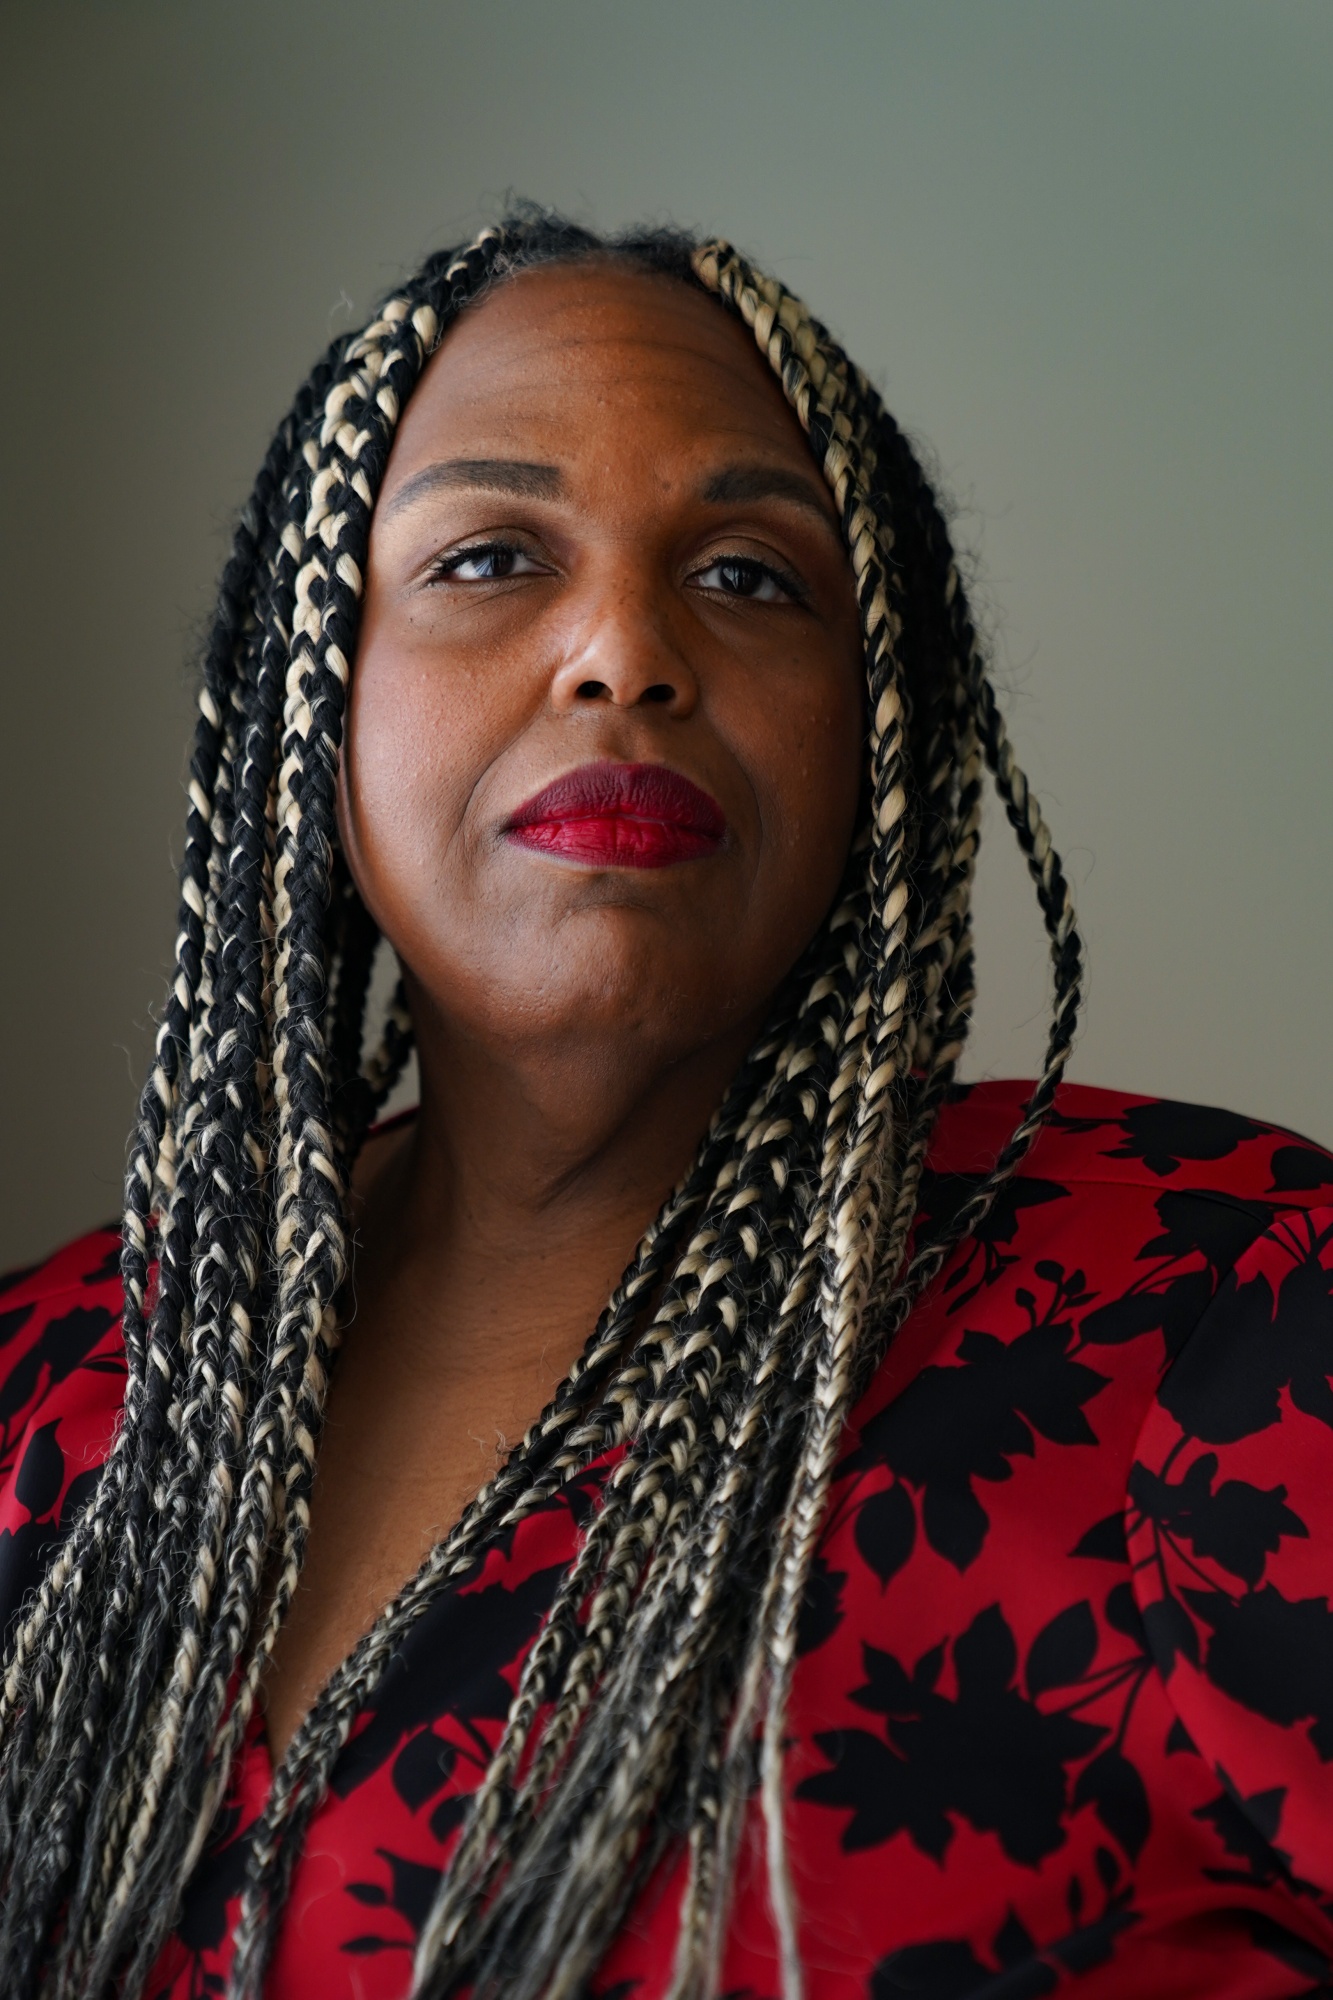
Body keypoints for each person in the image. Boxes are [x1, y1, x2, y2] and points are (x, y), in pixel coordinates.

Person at [0, 211, 1329, 2000]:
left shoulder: (1229, 1323)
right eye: (487, 558)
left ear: (878, 733)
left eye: (750, 577)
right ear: (306, 705)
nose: (622, 651)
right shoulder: (52, 1399)